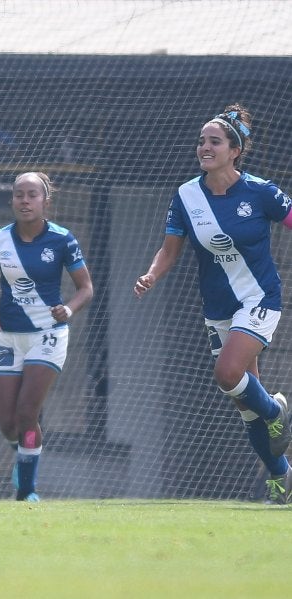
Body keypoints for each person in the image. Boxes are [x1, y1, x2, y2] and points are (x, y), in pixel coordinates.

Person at [134, 104, 292, 504]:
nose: (205, 147)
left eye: (214, 141)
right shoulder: (187, 195)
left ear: (235, 150)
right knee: (245, 406)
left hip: (259, 299)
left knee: (226, 373)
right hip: (218, 308)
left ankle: (277, 411)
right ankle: (281, 476)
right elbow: (169, 250)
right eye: (202, 141)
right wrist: (152, 274)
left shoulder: (261, 192)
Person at [0, 171, 93, 502]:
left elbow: (86, 288)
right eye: (18, 195)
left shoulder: (62, 239)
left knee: (28, 413)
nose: (24, 201)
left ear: (46, 201)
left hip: (48, 335)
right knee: (6, 423)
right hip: (7, 337)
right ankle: (25, 454)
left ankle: (26, 489)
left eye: (32, 195)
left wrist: (68, 310)